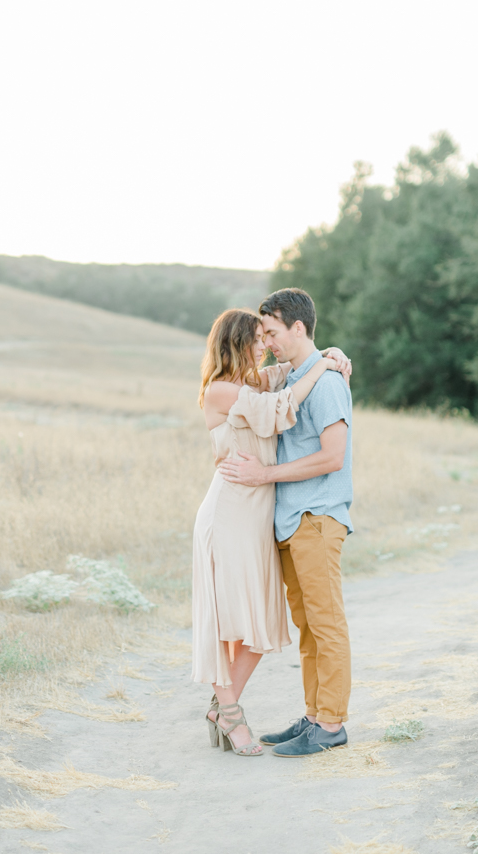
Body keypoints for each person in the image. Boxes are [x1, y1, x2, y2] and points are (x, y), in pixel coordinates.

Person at [193, 308, 350, 757]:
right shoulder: (222, 390)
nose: (264, 345)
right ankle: (231, 713)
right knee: (229, 625)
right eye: (258, 339)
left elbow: (288, 370)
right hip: (229, 512)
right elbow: (281, 407)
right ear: (238, 343)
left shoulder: (253, 383)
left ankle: (222, 707)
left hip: (258, 515)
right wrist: (321, 364)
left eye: (268, 336)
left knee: (258, 625)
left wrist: (327, 354)